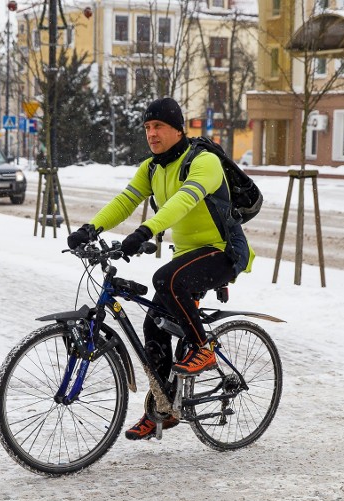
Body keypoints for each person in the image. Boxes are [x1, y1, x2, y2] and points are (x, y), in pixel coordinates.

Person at [66, 97, 254, 441]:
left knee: (166, 278)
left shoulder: (204, 161)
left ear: (177, 128)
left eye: (159, 127)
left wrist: (145, 231)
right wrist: (91, 228)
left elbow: (185, 199)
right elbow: (126, 201)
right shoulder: (152, 168)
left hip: (223, 251)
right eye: (147, 128)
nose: (151, 134)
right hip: (188, 254)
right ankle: (162, 409)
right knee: (154, 324)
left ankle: (204, 349)